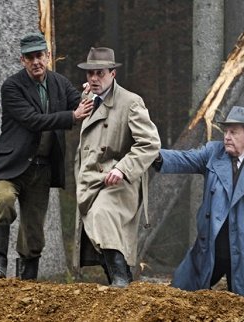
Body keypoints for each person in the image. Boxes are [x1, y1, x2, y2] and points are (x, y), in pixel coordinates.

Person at [153, 106, 244, 312]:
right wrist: (154, 155)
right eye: (225, 131)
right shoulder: (213, 153)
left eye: (233, 132)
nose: (226, 137)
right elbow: (185, 158)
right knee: (177, 299)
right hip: (210, 250)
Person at [0, 32, 93, 280]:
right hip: (11, 164)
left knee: (34, 233)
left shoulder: (60, 83)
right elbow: (32, 120)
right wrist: (72, 116)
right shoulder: (12, 86)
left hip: (41, 168)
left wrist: (90, 94)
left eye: (39, 56)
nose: (36, 61)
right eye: (30, 57)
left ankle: (28, 280)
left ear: (48, 56)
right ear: (22, 60)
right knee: (3, 202)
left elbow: (80, 104)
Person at [74, 47, 161, 287]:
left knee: (102, 216)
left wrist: (123, 169)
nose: (94, 79)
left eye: (100, 73)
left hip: (118, 182)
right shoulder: (89, 99)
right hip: (91, 180)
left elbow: (150, 143)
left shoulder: (131, 102)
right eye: (90, 74)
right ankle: (119, 283)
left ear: (113, 73)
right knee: (93, 230)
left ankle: (122, 280)